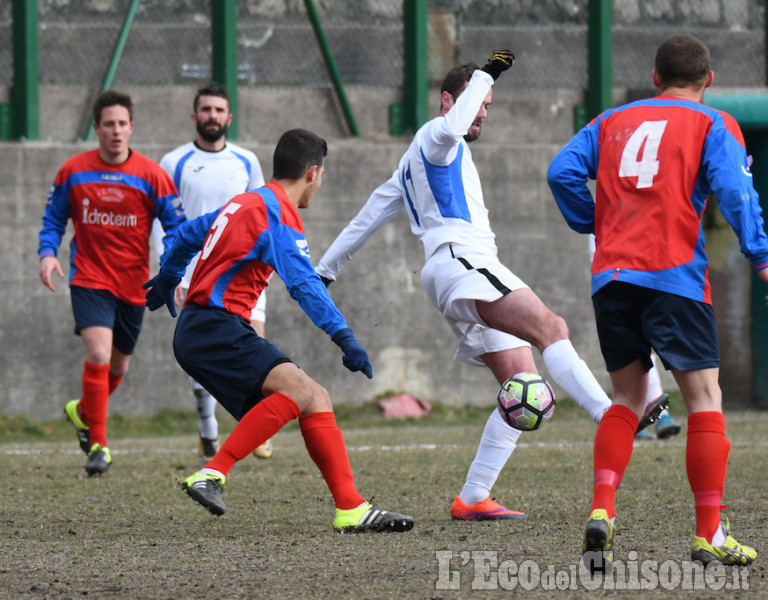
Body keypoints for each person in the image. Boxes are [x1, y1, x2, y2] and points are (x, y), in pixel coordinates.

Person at [315, 51, 666, 522]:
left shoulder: (411, 163)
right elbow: (450, 128)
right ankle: (612, 418)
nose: (483, 110)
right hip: (463, 262)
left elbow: (370, 214)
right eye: (477, 102)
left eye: (488, 104)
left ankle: (474, 497)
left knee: (523, 386)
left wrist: (325, 270)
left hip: (452, 272)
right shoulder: (437, 139)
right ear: (448, 100)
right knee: (552, 327)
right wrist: (486, 73)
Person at [548, 33, 768, 570]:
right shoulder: (713, 123)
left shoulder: (610, 121)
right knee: (704, 401)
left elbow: (560, 172)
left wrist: (594, 219)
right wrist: (760, 254)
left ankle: (603, 509)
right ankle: (708, 534)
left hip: (613, 277)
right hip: (673, 278)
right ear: (708, 81)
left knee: (627, 399)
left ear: (654, 77)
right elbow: (736, 194)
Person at [143, 128, 415, 533]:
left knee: (314, 396)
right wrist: (344, 336)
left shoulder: (243, 202)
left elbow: (184, 235)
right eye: (321, 177)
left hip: (203, 328)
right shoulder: (279, 217)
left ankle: (350, 507)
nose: (319, 185)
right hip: (214, 325)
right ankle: (212, 473)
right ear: (312, 172)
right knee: (297, 391)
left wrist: (168, 277)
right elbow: (305, 285)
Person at [38, 89, 185, 476]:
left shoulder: (153, 175)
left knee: (117, 369)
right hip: (88, 278)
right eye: (109, 124)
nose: (116, 131)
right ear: (97, 128)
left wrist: (174, 270)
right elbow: (54, 219)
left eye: (122, 124)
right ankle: (99, 446)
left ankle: (82, 411)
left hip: (134, 286)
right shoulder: (73, 170)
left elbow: (177, 228)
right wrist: (47, 253)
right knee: (99, 355)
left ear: (131, 128)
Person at [152, 83, 273, 462]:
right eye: (206, 110)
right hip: (193, 272)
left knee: (255, 346)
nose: (212, 116)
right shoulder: (174, 162)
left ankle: (257, 424)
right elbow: (162, 219)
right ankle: (208, 427)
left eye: (219, 110)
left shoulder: (247, 160)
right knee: (202, 352)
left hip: (243, 269)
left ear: (229, 118)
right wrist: (167, 270)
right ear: (194, 116)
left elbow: (262, 213)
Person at [588, 234, 680, 441]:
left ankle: (644, 416)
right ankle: (652, 415)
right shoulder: (606, 214)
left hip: (636, 269)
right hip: (619, 273)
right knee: (639, 351)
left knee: (647, 347)